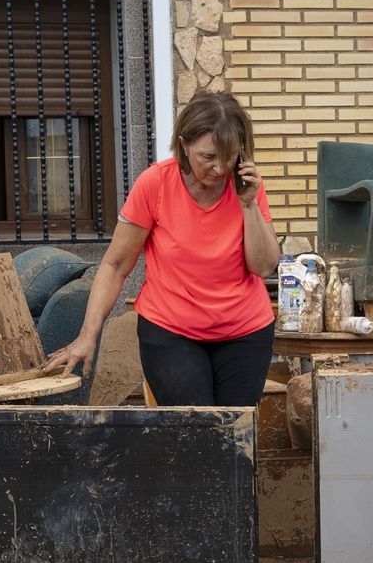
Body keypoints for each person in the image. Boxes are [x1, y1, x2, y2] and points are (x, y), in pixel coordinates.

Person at [43, 91, 280, 406]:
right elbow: (115, 265)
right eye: (208, 157)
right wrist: (88, 335)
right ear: (184, 144)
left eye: (230, 155)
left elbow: (263, 267)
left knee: (234, 439)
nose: (221, 168)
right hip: (172, 333)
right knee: (195, 434)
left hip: (245, 332)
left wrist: (248, 206)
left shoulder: (246, 187)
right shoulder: (156, 184)